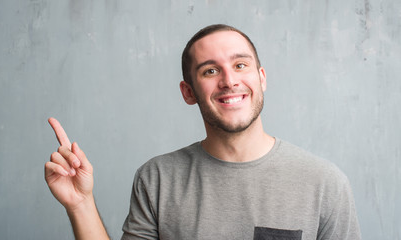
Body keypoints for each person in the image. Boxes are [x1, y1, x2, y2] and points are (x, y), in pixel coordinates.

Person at [45, 24, 361, 240]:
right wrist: (80, 203)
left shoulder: (326, 184)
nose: (229, 80)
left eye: (240, 65)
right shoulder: (157, 179)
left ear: (261, 78)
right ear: (188, 92)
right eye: (210, 70)